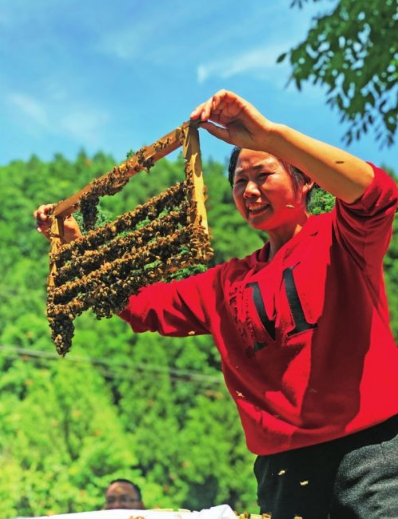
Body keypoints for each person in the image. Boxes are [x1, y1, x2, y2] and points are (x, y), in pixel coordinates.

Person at [35, 90, 398, 518]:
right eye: (240, 181)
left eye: (263, 173)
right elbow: (142, 304)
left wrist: (269, 136)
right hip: (281, 472)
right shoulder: (227, 283)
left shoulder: (342, 238)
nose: (250, 189)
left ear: (305, 181)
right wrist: (79, 246)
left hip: (370, 454)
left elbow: (377, 194)